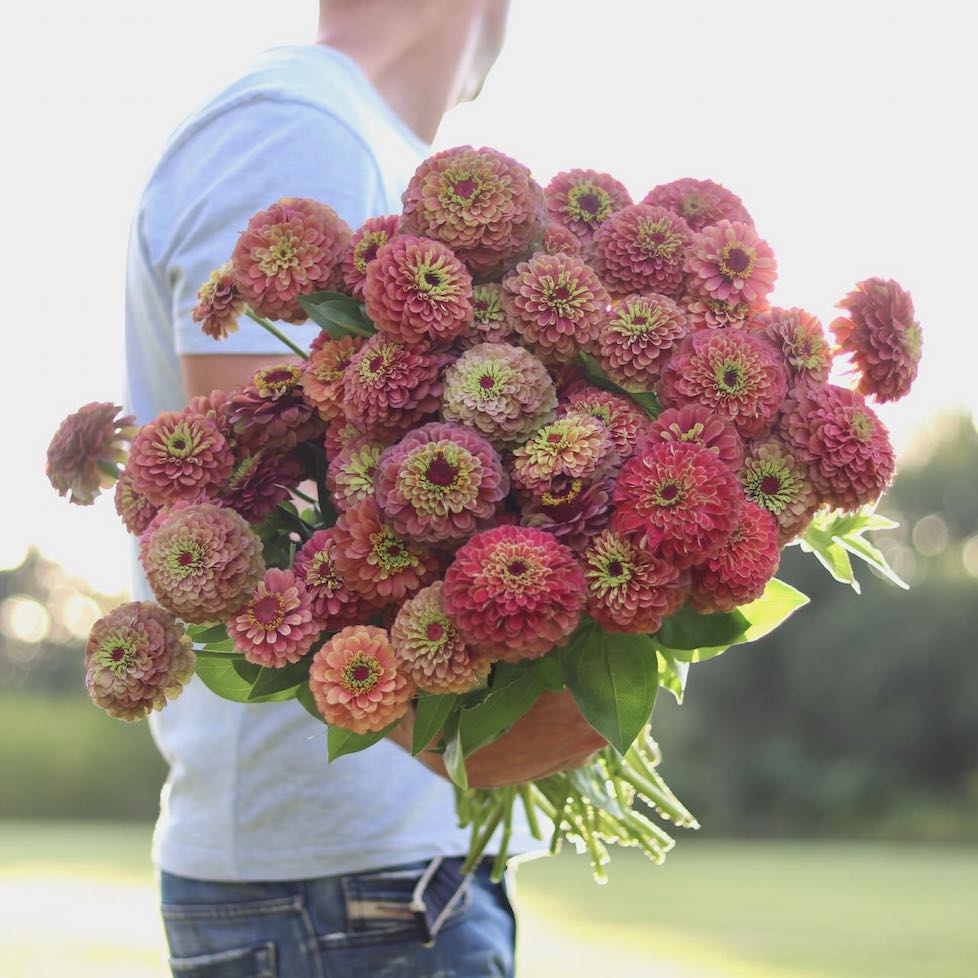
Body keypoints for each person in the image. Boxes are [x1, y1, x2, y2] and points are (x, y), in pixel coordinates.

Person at [124, 2, 604, 975]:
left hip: (378, 882)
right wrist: (500, 741)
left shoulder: (348, 138)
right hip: (340, 892)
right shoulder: (298, 134)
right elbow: (254, 538)